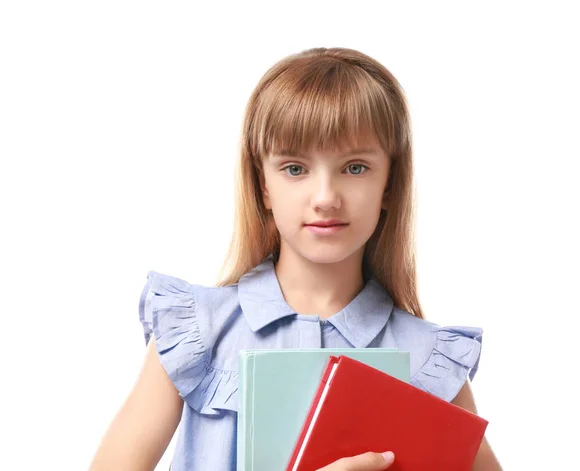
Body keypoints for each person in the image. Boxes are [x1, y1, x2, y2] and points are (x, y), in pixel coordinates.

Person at [89, 47, 502, 471]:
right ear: (262, 185)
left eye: (356, 167)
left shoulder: (432, 359)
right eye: (295, 168)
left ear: (390, 185)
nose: (325, 198)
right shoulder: (195, 333)